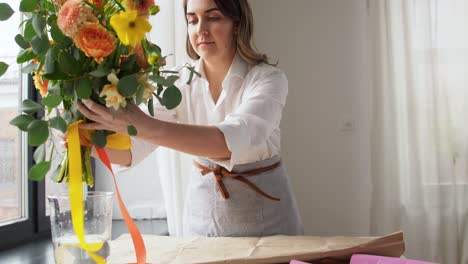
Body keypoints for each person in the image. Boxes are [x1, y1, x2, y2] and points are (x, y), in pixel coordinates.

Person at [77, 0, 304, 237]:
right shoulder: (179, 80)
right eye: (192, 20)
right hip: (202, 220)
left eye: (213, 17)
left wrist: (141, 125)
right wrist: (86, 142)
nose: (201, 29)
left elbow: (229, 143)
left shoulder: (268, 79)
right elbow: (133, 149)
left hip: (268, 221)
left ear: (237, 23)